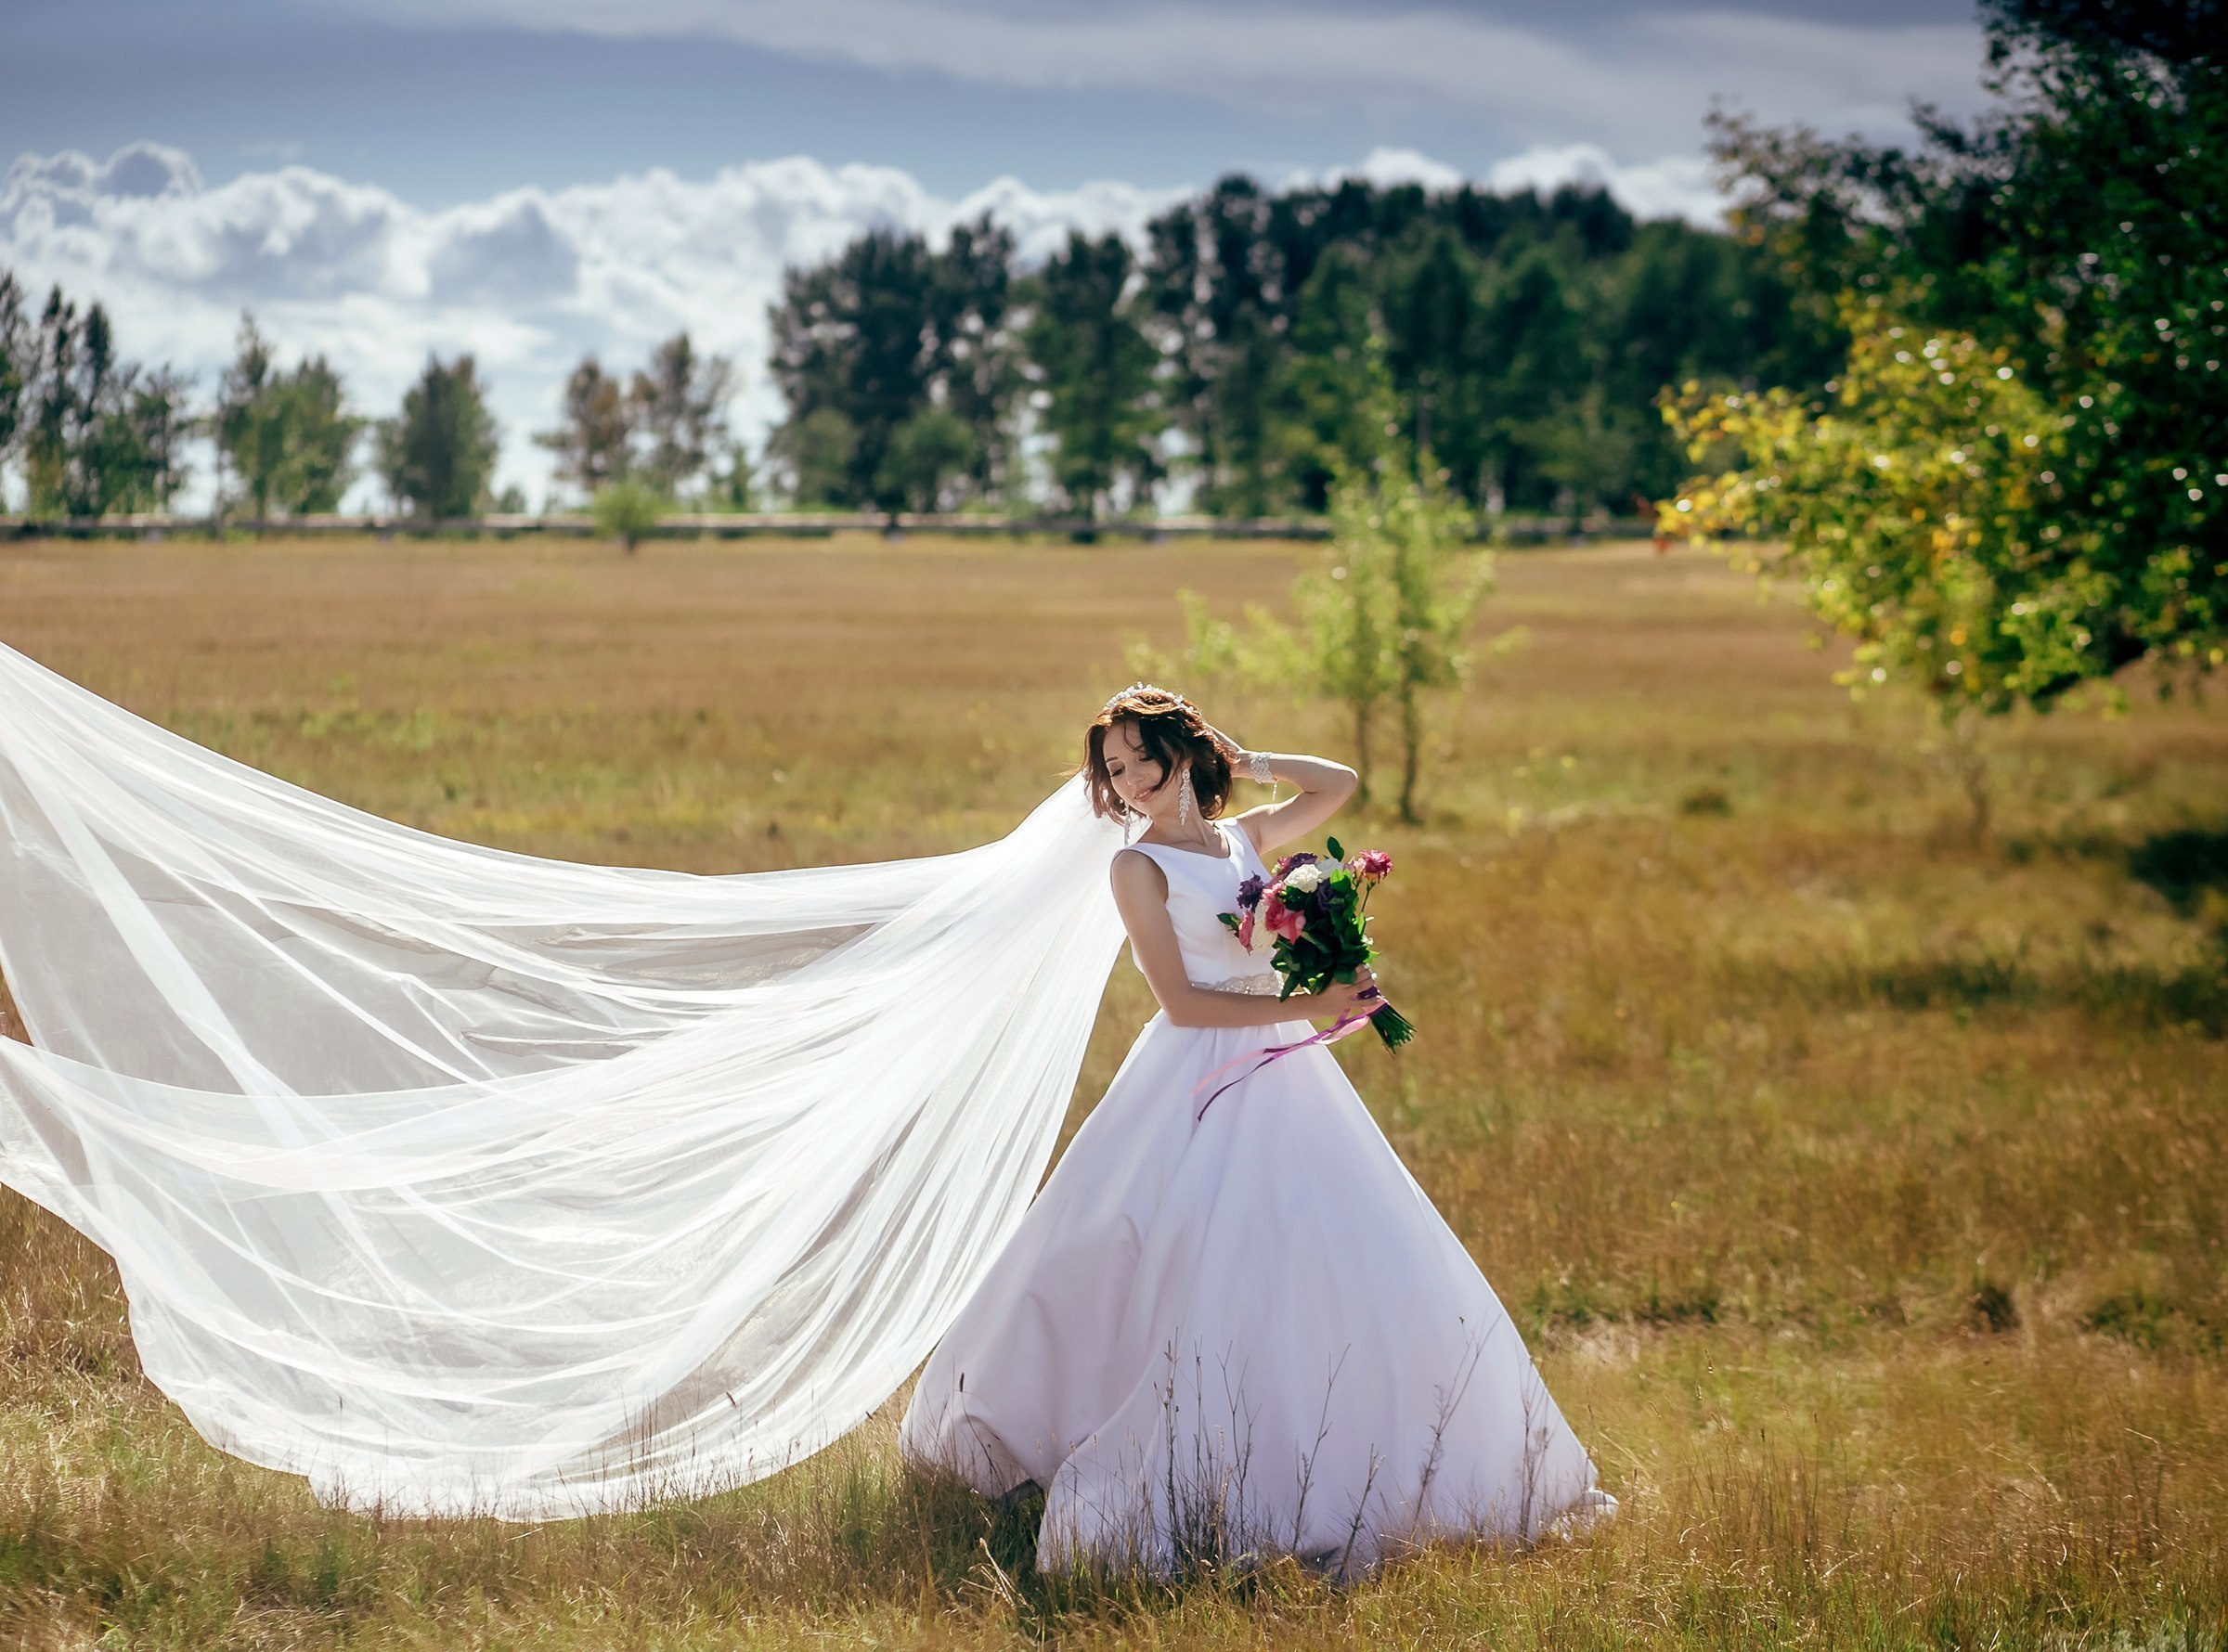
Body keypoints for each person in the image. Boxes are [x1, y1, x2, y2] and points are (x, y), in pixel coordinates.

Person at [901, 685, 1613, 1575]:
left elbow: (1338, 786)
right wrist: (1313, 1001)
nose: (1127, 784)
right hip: (1195, 1071)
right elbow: (1182, 1001)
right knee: (1169, 1250)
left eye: (1138, 760)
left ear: (1180, 751)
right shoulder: (1138, 868)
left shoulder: (1239, 838)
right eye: (1112, 772)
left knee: (1335, 1245)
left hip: (1282, 1066)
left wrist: (1246, 762)